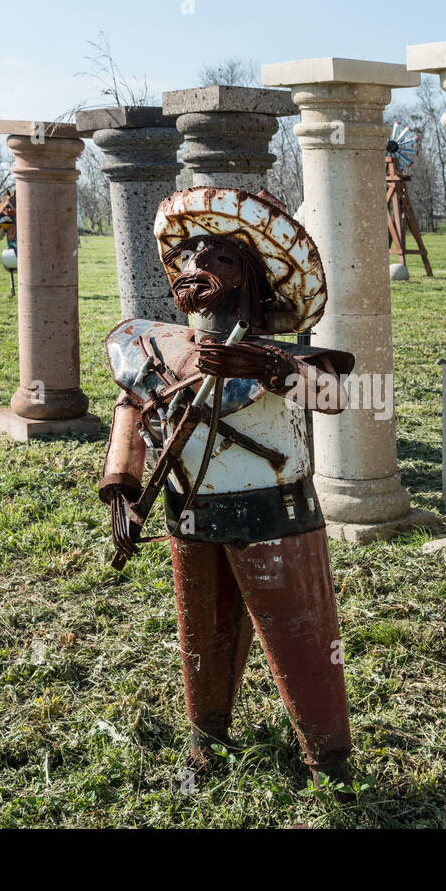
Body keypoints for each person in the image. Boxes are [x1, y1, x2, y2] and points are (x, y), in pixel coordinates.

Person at [97, 186, 356, 787]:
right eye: (188, 258)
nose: (196, 268)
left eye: (218, 258)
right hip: (185, 512)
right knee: (202, 639)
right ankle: (206, 747)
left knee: (302, 643)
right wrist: (120, 486)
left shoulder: (281, 359)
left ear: (252, 279)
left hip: (276, 516)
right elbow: (131, 413)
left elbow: (334, 395)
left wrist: (265, 367)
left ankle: (332, 770)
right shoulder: (152, 349)